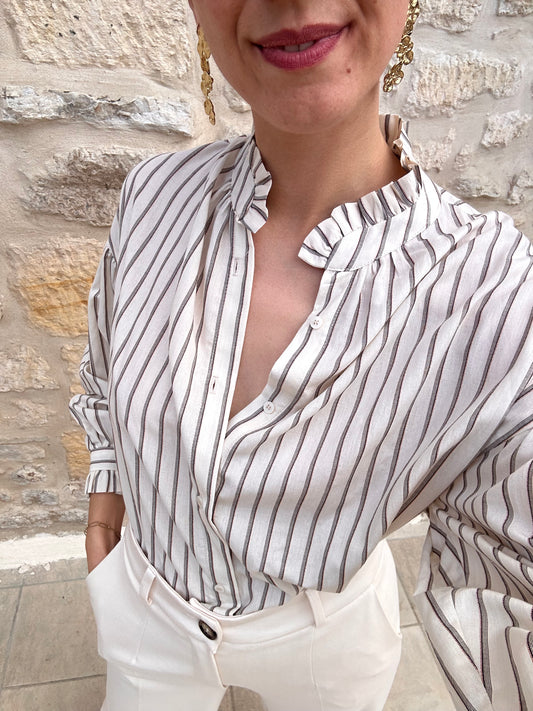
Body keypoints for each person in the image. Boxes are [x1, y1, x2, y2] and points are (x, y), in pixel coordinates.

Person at [70, 1, 533, 709]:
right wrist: (107, 496)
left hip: (325, 642)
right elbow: (105, 357)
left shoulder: (498, 293)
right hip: (143, 608)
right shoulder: (151, 196)